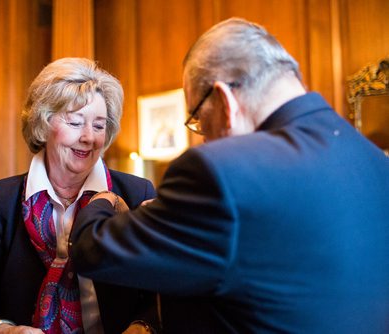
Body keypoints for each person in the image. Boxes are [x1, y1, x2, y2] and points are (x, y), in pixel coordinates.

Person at [69, 18, 389, 333]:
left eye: (198, 120)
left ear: (224, 100)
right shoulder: (375, 161)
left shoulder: (221, 173)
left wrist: (102, 200)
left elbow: (92, 251)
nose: (203, 137)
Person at [0, 58, 160, 334]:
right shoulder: (0, 201)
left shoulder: (136, 195)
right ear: (43, 122)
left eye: (99, 126)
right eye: (76, 122)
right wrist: (5, 330)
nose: (89, 137)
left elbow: (161, 297)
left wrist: (142, 327)